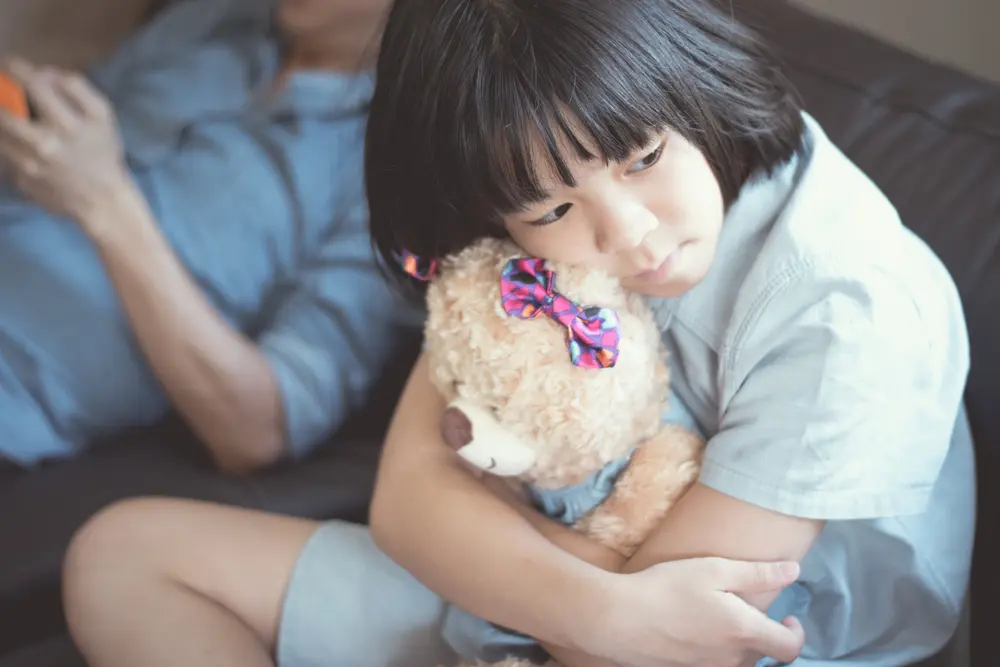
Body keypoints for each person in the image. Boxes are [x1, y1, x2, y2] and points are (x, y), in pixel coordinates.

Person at [61, 0, 976, 666]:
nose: (629, 234)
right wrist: (594, 606)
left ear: (691, 77)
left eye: (644, 157)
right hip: (551, 602)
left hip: (755, 648)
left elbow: (680, 635)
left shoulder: (840, 305)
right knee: (121, 555)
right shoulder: (510, 188)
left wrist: (531, 569)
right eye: (552, 207)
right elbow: (408, 498)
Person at [0, 0, 410, 472]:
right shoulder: (214, 18)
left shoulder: (389, 178)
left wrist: (105, 202)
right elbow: (51, 144)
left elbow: (258, 430)